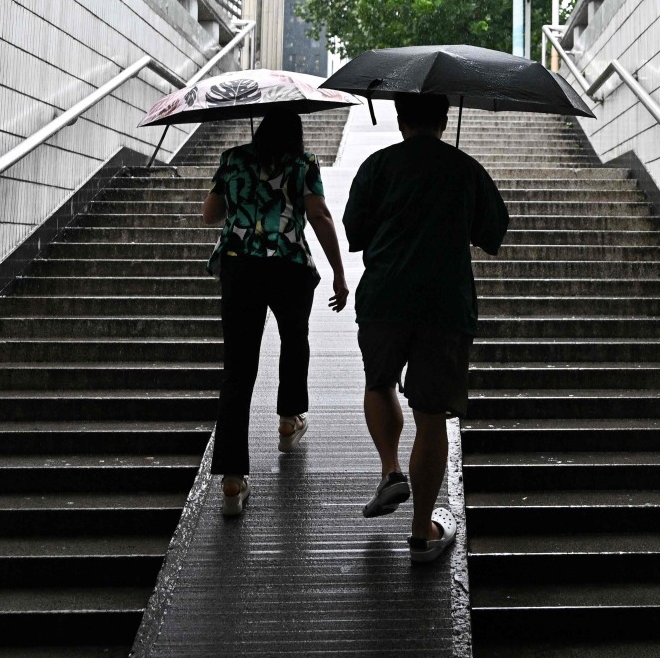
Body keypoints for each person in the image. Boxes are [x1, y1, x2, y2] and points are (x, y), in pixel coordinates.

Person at [343, 92, 508, 562]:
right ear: (444, 118)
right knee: (431, 415)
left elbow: (355, 233)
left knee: (378, 385)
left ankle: (391, 469)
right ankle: (421, 534)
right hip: (444, 304)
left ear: (400, 119)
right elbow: (494, 232)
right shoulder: (465, 168)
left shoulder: (376, 166)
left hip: (384, 299)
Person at [202, 109, 349, 516]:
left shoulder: (232, 159)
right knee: (294, 340)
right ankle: (288, 421)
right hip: (288, 263)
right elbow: (318, 215)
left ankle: (232, 481)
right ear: (296, 132)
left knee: (238, 367)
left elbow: (210, 215)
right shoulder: (302, 164)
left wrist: (240, 195)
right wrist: (339, 271)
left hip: (240, 266)